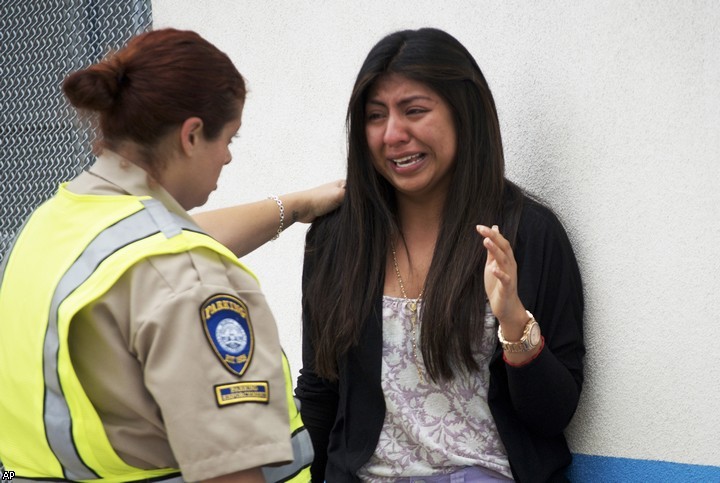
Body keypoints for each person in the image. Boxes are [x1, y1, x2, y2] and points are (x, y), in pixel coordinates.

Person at [0, 28, 344, 483]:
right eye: (230, 140)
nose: (227, 159)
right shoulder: (191, 277)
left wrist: (295, 205)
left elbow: (156, 251)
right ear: (192, 134)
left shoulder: (53, 223)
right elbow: (232, 474)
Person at [296, 28, 584, 483]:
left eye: (414, 111)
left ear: (463, 114)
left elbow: (553, 415)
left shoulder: (528, 234)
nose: (393, 134)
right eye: (375, 116)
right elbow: (320, 389)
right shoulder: (336, 240)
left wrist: (513, 321)